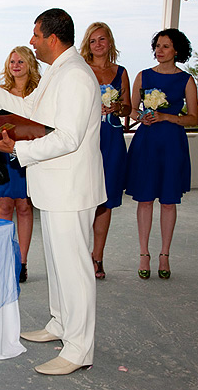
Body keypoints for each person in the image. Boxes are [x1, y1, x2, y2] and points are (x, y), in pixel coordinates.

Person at [0, 8, 106, 376]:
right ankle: (60, 323)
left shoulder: (74, 75)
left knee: (75, 269)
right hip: (55, 187)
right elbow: (28, 108)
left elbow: (68, 138)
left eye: (36, 35)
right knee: (58, 265)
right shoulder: (58, 71)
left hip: (71, 187)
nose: (33, 41)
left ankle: (79, 348)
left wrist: (18, 151)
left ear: (53, 38)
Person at [125, 28, 198, 280]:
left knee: (169, 200)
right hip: (147, 141)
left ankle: (164, 254)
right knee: (144, 199)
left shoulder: (186, 80)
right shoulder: (143, 76)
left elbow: (194, 118)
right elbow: (132, 109)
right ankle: (144, 253)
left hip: (172, 143)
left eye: (165, 46)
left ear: (177, 50)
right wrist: (141, 117)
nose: (159, 50)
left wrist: (167, 116)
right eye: (157, 45)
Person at [0, 46, 40, 283]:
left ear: (30, 65)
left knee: (24, 207)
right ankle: (3, 259)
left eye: (21, 61)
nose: (15, 65)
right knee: (3, 207)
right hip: (1, 155)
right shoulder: (0, 91)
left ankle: (22, 263)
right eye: (12, 61)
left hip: (26, 153)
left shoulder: (38, 92)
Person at [79, 22, 131, 279]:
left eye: (102, 39)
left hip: (111, 138)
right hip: (85, 138)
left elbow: (128, 108)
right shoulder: (80, 70)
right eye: (93, 40)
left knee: (105, 201)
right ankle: (78, 256)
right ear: (87, 44)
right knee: (82, 197)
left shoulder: (121, 72)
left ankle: (97, 257)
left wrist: (116, 108)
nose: (98, 44)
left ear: (110, 42)